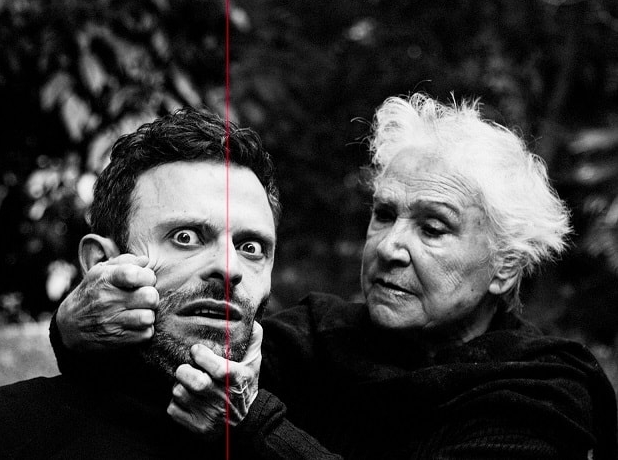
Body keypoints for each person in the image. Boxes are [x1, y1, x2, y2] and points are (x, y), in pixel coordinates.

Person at [49, 94, 618, 459]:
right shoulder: (321, 336)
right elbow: (172, 364)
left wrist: (254, 427)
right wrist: (74, 329)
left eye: (433, 228)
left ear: (505, 267)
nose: (389, 247)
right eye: (384, 214)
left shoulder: (540, 392)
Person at [0, 108, 286, 458]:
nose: (229, 267)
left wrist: (255, 430)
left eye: (251, 247)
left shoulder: (308, 403)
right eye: (186, 237)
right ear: (101, 263)